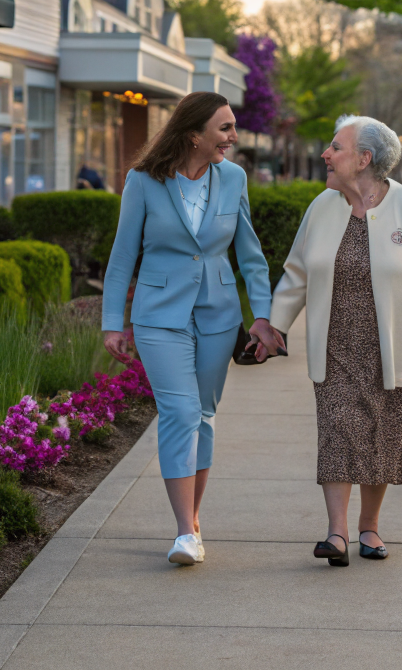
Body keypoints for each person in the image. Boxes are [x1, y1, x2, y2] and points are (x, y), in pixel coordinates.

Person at [101, 92, 285, 567]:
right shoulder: (143, 182)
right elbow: (123, 257)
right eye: (224, 128)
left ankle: (193, 521)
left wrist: (262, 317)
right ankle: (184, 532)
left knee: (202, 413)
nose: (233, 136)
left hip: (218, 315)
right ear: (193, 135)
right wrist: (111, 324)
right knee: (180, 412)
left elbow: (250, 254)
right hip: (159, 314)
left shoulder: (234, 178)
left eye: (233, 127)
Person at [270, 115, 402, 566]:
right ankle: (337, 533)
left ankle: (370, 527)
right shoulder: (323, 207)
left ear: (365, 159)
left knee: (383, 438)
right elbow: (296, 273)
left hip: (396, 349)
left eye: (336, 148)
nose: (326, 156)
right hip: (335, 346)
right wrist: (275, 324)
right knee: (338, 431)